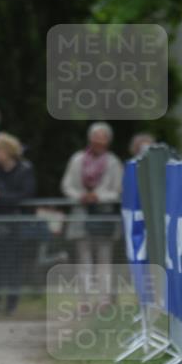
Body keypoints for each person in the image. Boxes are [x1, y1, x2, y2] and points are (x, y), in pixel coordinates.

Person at [61, 122, 123, 305]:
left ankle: (104, 299)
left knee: (104, 259)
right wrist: (81, 196)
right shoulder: (77, 160)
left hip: (103, 217)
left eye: (102, 138)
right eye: (96, 138)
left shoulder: (113, 163)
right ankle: (85, 300)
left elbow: (118, 190)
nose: (99, 142)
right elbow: (67, 186)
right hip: (81, 215)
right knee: (83, 259)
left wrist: (98, 197)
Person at [0, 132, 36, 312]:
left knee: (11, 264)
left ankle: (11, 302)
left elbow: (25, 195)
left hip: (13, 226)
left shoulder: (24, 170)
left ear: (7, 151)